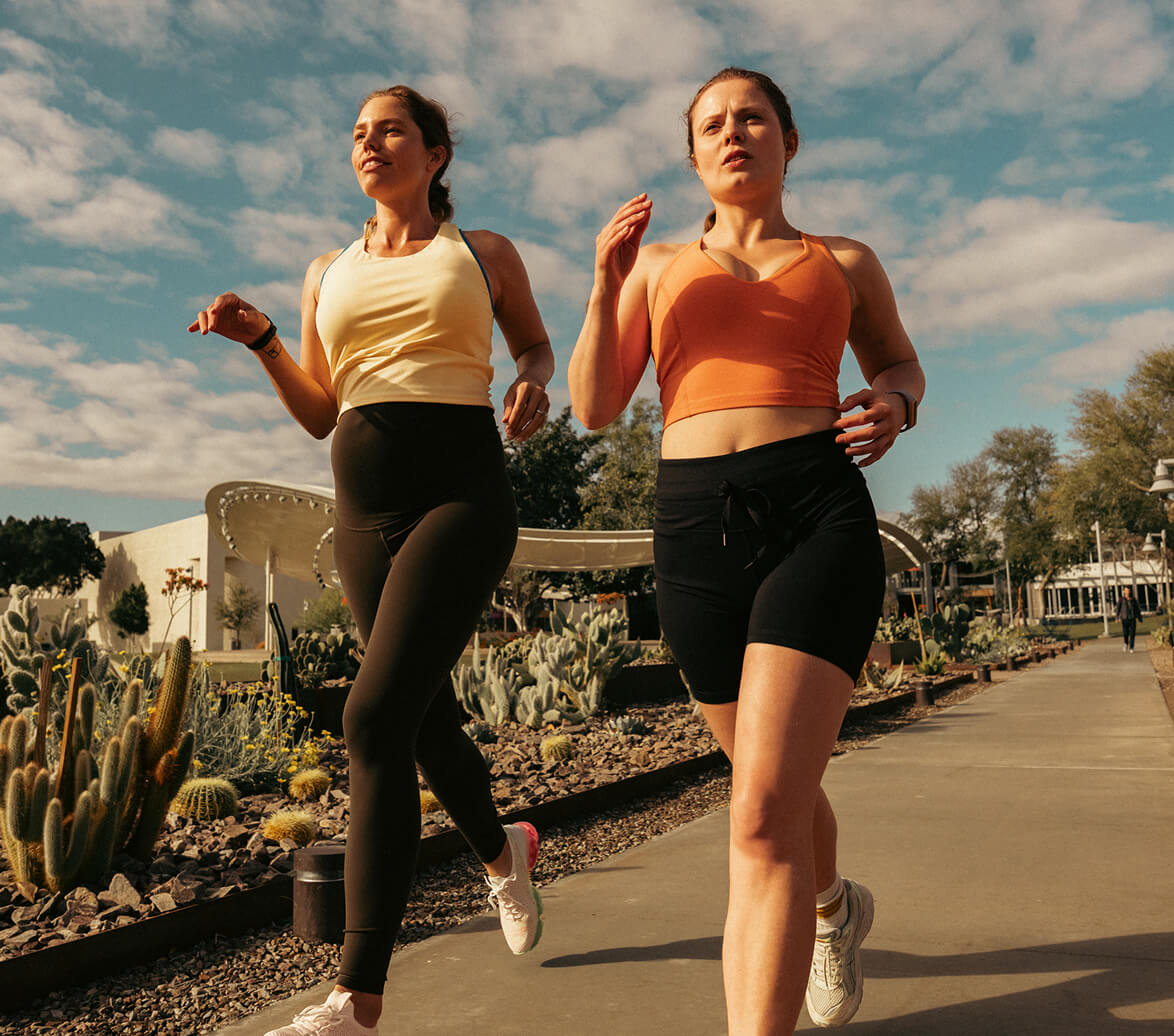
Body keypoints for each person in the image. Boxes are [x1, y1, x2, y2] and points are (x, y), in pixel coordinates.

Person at [190, 86, 555, 1036]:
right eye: (357, 133)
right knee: (421, 723)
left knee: (371, 715)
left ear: (435, 153)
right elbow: (321, 412)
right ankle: (501, 849)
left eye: (389, 129)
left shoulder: (482, 253)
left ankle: (356, 997)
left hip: (463, 498)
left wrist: (530, 384)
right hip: (364, 514)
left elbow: (537, 349)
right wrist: (266, 340)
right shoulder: (328, 269)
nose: (369, 144)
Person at [569, 67, 925, 1033]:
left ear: (788, 141)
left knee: (761, 815)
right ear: (693, 155)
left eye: (753, 118)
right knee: (769, 786)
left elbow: (898, 359)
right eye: (713, 124)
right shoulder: (653, 267)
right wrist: (604, 287)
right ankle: (831, 908)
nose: (735, 134)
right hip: (693, 528)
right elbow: (597, 405)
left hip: (816, 513)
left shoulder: (842, 260)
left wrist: (894, 402)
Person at [1116, 587, 1140, 652]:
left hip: (1132, 618)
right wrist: (1117, 617)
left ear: (1130, 591)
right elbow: (1118, 609)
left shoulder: (1133, 599)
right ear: (1124, 591)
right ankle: (1126, 643)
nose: (1127, 592)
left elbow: (1137, 609)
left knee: (1132, 634)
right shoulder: (1121, 599)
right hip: (1124, 618)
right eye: (1126, 590)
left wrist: (1139, 618)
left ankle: (1131, 647)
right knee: (1125, 633)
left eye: (1128, 590)